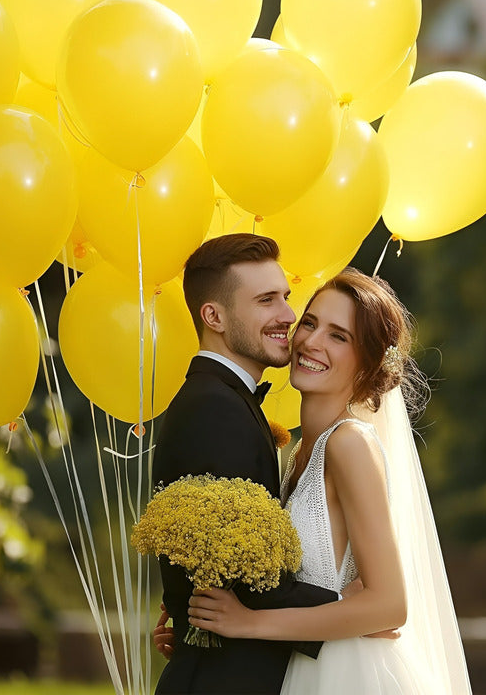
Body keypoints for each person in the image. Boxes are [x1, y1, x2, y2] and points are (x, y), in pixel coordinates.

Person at [185, 267, 473, 695]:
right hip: (299, 667)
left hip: (348, 675)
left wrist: (247, 621)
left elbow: (389, 605)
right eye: (311, 323)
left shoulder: (348, 445)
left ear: (367, 364)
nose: (311, 342)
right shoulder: (299, 453)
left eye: (339, 336)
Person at [151, 233, 338, 695]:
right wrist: (349, 610)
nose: (288, 316)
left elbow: (210, 549)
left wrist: (179, 600)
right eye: (266, 301)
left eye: (286, 298)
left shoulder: (224, 400)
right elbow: (247, 580)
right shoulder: (214, 407)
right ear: (213, 316)